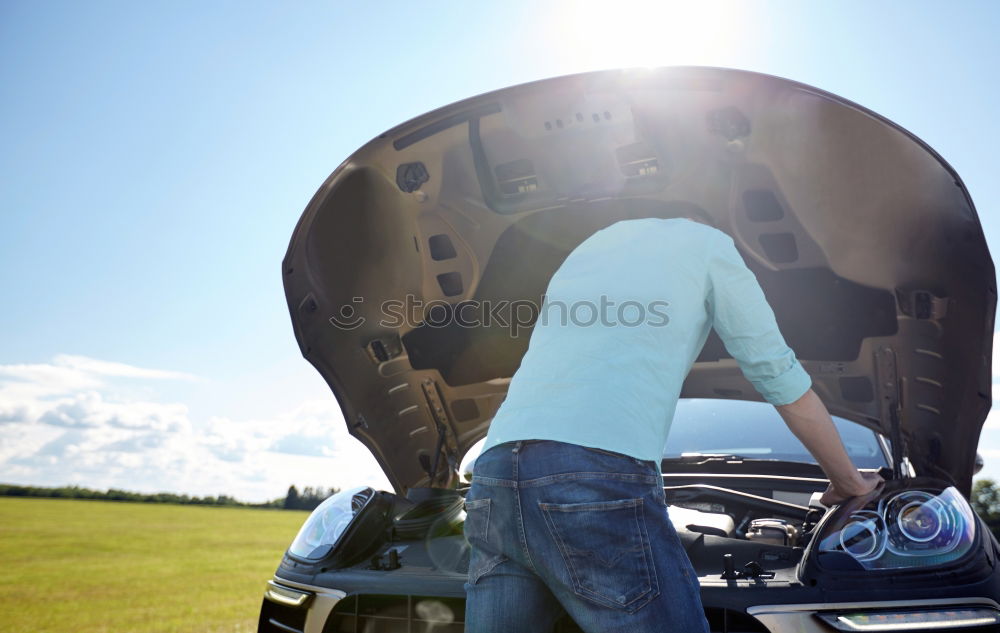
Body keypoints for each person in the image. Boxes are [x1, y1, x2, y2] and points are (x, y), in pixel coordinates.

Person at [462, 215, 883, 633]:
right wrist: (848, 481)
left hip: (496, 469)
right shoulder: (711, 246)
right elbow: (777, 374)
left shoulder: (591, 246)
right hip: (591, 474)